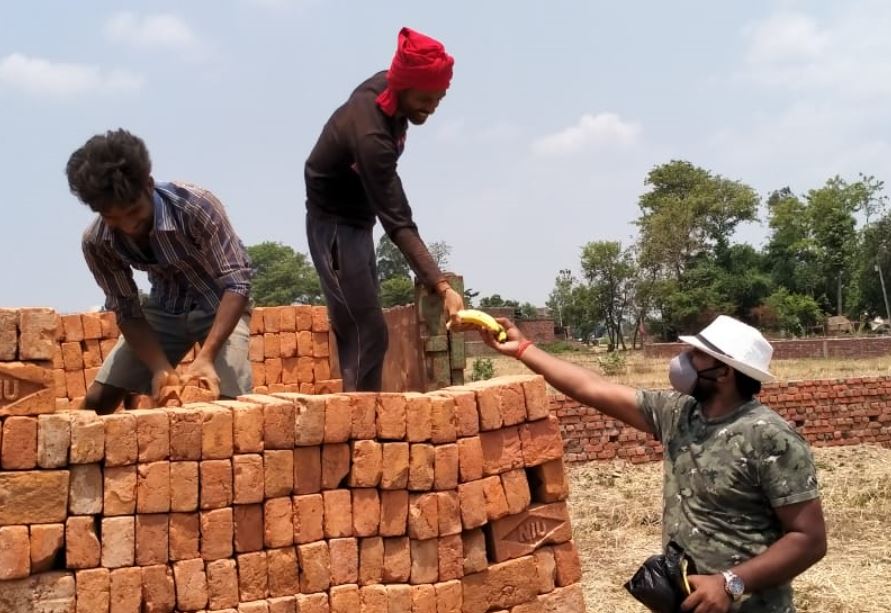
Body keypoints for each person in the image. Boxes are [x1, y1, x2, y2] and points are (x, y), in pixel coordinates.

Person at [482, 315, 827, 612]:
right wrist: (524, 349)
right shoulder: (678, 413)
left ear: (724, 372)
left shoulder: (768, 437)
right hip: (684, 602)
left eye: (697, 355)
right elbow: (591, 387)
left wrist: (730, 583)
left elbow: (808, 539)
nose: (684, 361)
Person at [304, 26, 464, 392]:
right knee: (366, 331)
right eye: (426, 98)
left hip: (359, 223)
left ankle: (361, 424)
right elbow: (399, 220)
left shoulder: (390, 88)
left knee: (361, 328)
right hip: (334, 225)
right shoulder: (372, 136)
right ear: (405, 86)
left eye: (439, 98)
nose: (433, 107)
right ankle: (360, 432)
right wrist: (441, 286)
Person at [66, 129, 253, 413]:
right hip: (164, 309)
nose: (128, 225)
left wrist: (206, 357)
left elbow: (237, 284)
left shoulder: (195, 207)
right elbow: (127, 311)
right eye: (113, 217)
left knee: (234, 406)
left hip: (219, 307)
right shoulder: (97, 242)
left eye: (133, 212)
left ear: (148, 185)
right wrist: (159, 368)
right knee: (96, 403)